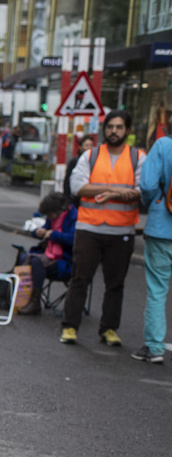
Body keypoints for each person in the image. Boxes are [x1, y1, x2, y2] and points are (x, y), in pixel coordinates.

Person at [60, 110, 146, 347]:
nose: (114, 131)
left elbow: (142, 190)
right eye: (110, 127)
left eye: (119, 127)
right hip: (89, 228)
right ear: (104, 129)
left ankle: (109, 329)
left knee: (115, 284)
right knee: (80, 278)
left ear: (127, 131)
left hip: (122, 231)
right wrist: (120, 191)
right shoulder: (91, 155)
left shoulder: (139, 157)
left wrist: (107, 191)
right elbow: (78, 187)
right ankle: (69, 327)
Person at [134, 133, 172, 362]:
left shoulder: (164, 145)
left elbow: (147, 185)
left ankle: (154, 347)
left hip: (163, 227)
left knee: (158, 289)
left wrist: (155, 201)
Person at [16, 191, 76, 316]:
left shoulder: (74, 217)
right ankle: (20, 298)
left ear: (58, 210)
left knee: (37, 262)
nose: (49, 217)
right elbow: (45, 231)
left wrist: (53, 235)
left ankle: (35, 302)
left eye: (50, 214)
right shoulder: (53, 217)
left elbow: (74, 239)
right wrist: (37, 232)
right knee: (24, 257)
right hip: (50, 255)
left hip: (66, 260)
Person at [63, 134, 97, 202]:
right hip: (76, 200)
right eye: (87, 145)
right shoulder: (75, 161)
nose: (89, 148)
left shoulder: (96, 161)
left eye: (91, 145)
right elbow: (67, 182)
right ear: (80, 147)